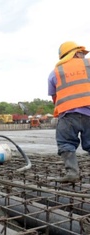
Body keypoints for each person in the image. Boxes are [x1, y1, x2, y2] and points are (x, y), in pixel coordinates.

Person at [48, 41, 90, 183]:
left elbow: (55, 98)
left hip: (68, 116)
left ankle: (72, 173)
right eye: (82, 53)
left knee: (66, 143)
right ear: (77, 53)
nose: (84, 56)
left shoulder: (55, 72)